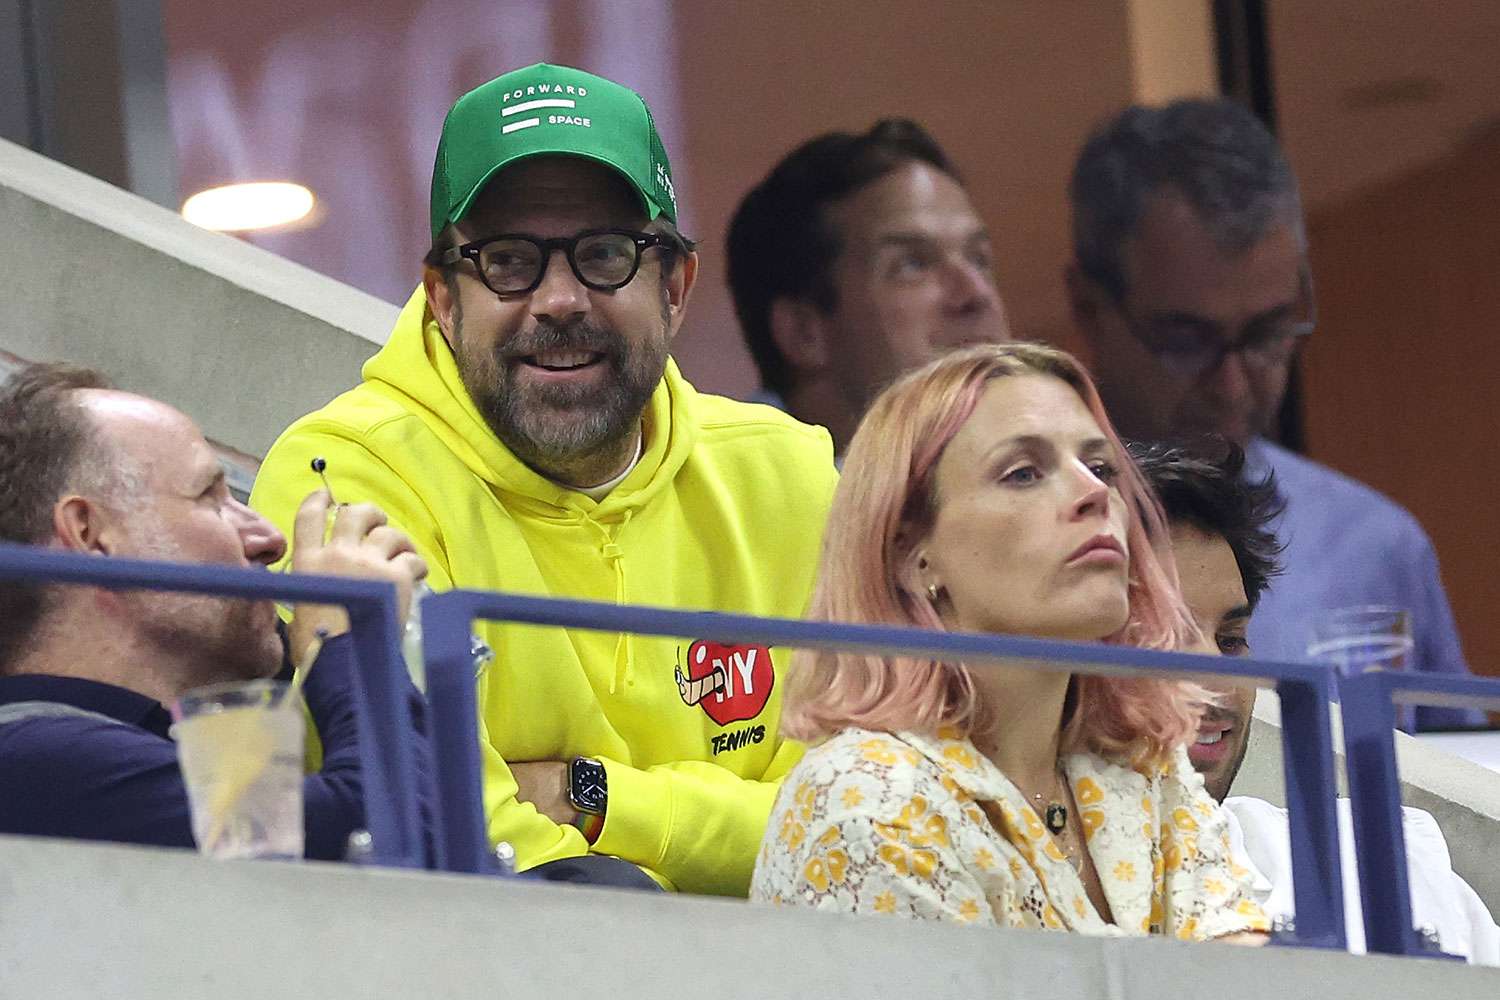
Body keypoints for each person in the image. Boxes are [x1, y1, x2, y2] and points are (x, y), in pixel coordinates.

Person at [249, 64, 838, 894]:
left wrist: (594, 799)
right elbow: (448, 840)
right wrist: (727, 844)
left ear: (674, 285)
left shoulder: (792, 475)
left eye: (603, 254)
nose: (559, 299)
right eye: (508, 260)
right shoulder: (344, 480)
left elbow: (857, 827)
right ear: (443, 300)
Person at [751, 343, 1268, 942]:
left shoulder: (1142, 759)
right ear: (911, 555)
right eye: (1023, 473)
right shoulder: (863, 799)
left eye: (1100, 468)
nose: (1096, 495)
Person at [1064, 98, 1479, 730]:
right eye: (1187, 338)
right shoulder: (1029, 541)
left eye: (1265, 333)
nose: (1231, 385)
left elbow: (1462, 809)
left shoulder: (1377, 547)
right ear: (1089, 308)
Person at [0, 363, 427, 860]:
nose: (271, 540)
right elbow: (390, 848)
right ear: (91, 534)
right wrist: (352, 638)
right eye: (211, 498)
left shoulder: (124, 751)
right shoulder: (39, 760)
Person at [1133, 441, 1500, 964]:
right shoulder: (1004, 882)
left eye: (1231, 639)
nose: (1216, 679)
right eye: (1163, 641)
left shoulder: (1379, 862)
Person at [727, 119, 1011, 456]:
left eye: (979, 258)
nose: (976, 293)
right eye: (913, 264)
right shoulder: (737, 502)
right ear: (804, 332)